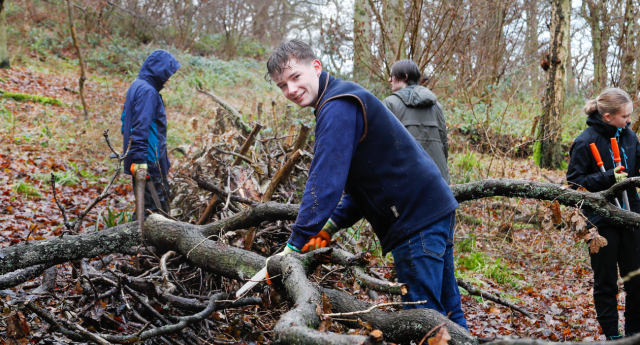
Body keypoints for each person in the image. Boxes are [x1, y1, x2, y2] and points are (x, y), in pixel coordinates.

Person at [265, 39, 468, 330]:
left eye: (295, 77)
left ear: (316, 67)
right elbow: (366, 184)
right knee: (449, 312)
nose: (291, 90)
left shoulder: (336, 106)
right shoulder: (340, 98)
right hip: (433, 207)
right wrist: (329, 228)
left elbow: (324, 184)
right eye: (282, 85)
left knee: (426, 320)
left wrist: (295, 244)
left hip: (415, 219)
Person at [566, 88, 640, 340]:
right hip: (599, 221)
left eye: (630, 115)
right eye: (624, 116)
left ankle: (634, 333)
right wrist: (609, 177)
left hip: (631, 217)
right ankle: (612, 335)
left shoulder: (630, 137)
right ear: (608, 116)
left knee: (637, 280)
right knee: (606, 282)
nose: (629, 120)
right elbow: (575, 184)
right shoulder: (584, 141)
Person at [121, 50, 181, 217]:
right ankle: (140, 242)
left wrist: (133, 154)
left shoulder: (137, 85)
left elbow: (125, 121)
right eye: (168, 73)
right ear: (159, 70)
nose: (169, 78)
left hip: (144, 159)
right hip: (148, 162)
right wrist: (141, 161)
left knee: (147, 207)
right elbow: (140, 127)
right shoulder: (148, 91)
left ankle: (138, 240)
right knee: (154, 213)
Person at [382, 60, 450, 184]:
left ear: (405, 77)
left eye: (392, 75)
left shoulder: (389, 103)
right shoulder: (436, 105)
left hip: (405, 180)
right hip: (437, 179)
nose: (390, 79)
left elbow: (383, 145)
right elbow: (444, 144)